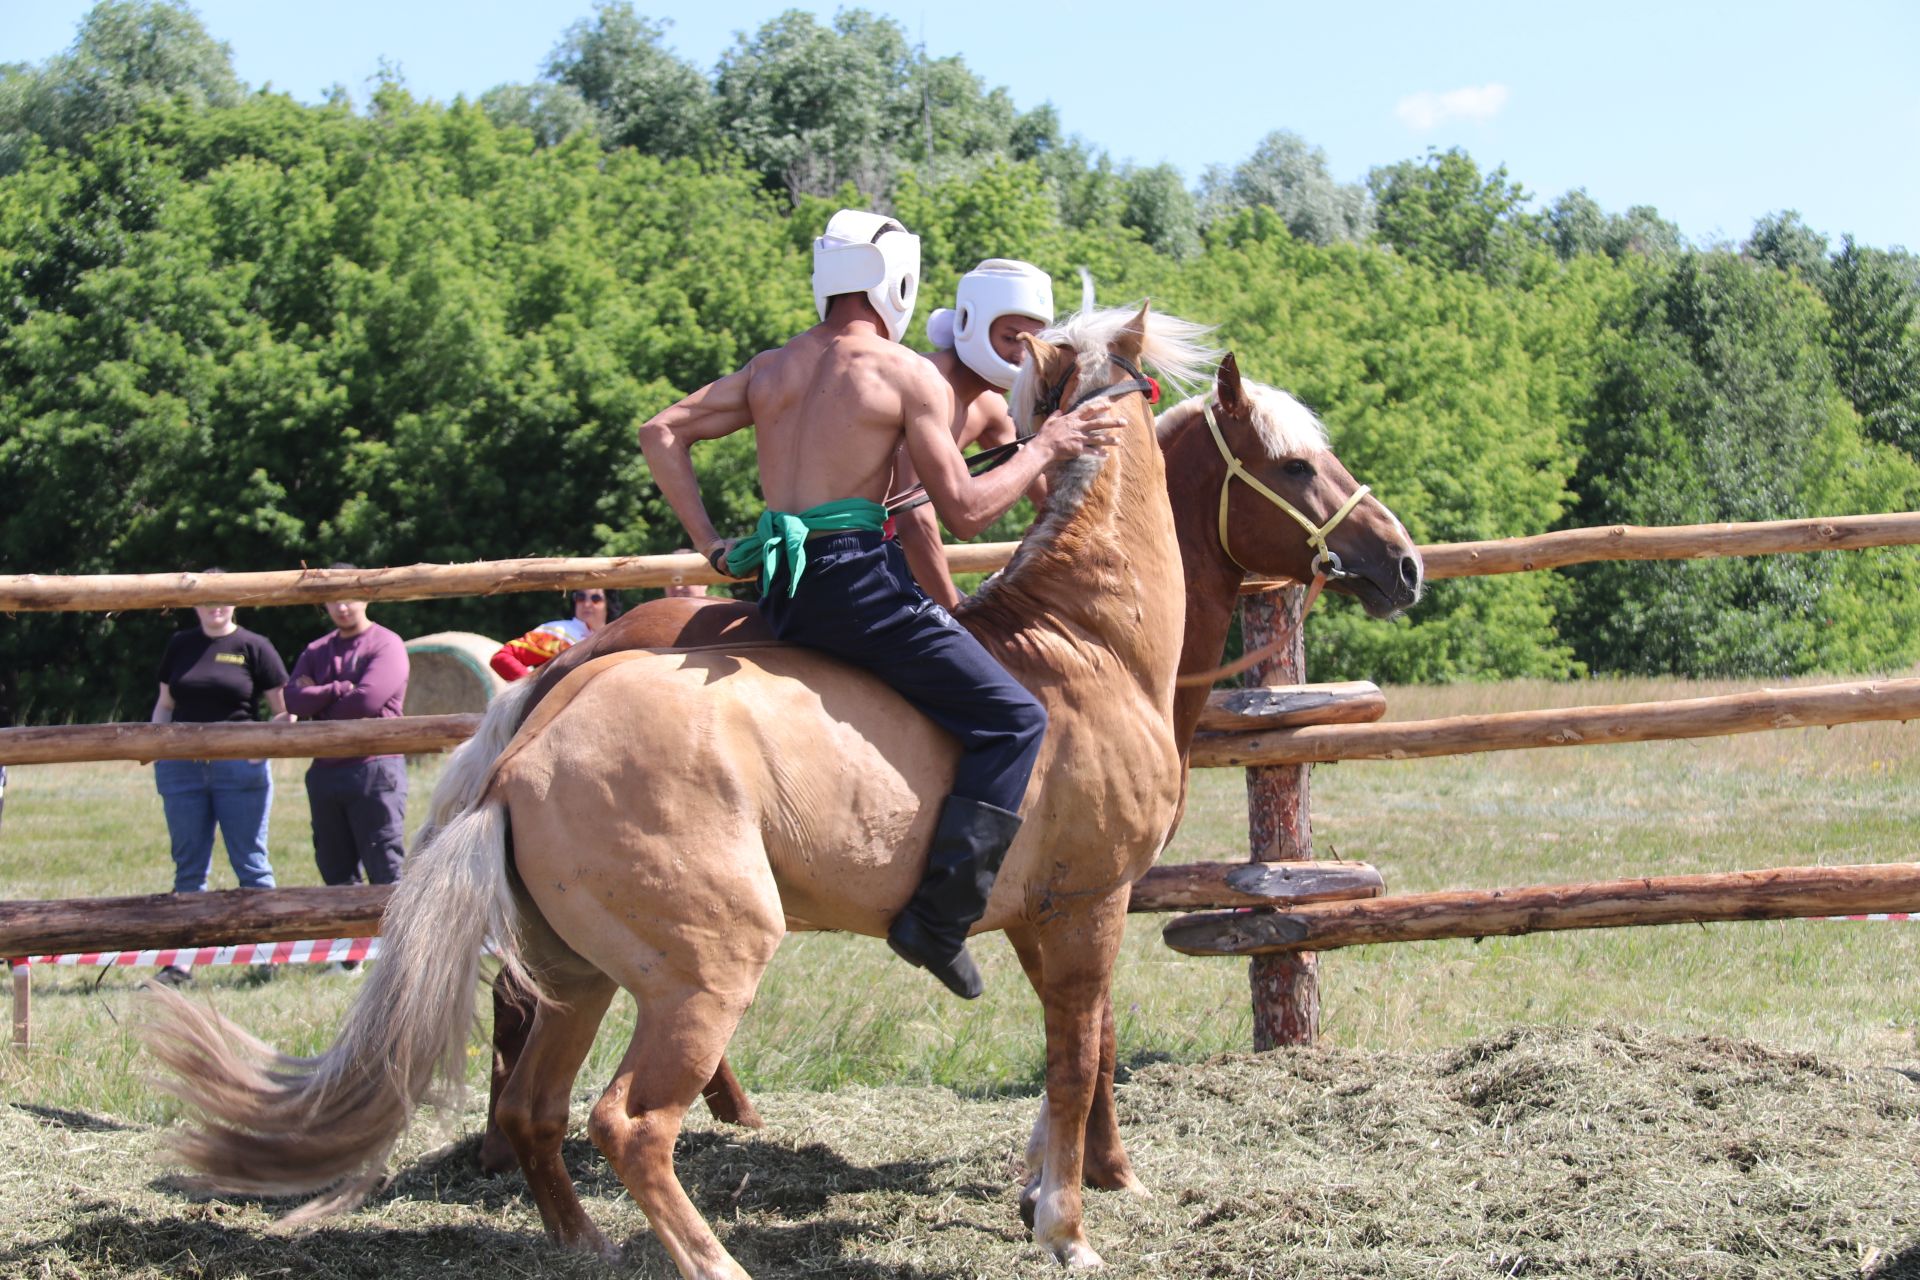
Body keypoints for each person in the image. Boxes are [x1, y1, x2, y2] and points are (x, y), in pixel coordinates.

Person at [637, 208, 1121, 1000]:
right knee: (1015, 718)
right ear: (900, 282)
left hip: (781, 587)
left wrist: (711, 546)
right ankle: (938, 916)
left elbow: (662, 432)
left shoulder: (771, 369)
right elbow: (963, 509)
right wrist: (1046, 446)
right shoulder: (903, 374)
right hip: (857, 587)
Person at [149, 584, 292, 987]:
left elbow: (284, 712)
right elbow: (165, 703)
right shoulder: (179, 644)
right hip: (181, 767)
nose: (215, 607)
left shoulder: (254, 645)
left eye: (222, 598)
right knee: (188, 868)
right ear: (195, 604)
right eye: (207, 599)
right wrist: (156, 745)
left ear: (235, 601)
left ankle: (271, 954)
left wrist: (261, 750)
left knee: (251, 861)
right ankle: (180, 962)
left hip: (239, 767)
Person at [898, 258, 1056, 609]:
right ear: (971, 323)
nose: (1021, 356)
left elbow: (1049, 502)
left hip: (894, 564)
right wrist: (955, 615)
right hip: (860, 560)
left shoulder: (991, 408)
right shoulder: (923, 383)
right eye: (1010, 338)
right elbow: (911, 521)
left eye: (1033, 343)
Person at [284, 569, 412, 954]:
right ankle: (351, 949)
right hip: (324, 770)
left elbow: (368, 702)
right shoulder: (316, 648)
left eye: (349, 596)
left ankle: (400, 948)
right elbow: (292, 700)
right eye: (333, 598)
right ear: (323, 603)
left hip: (375, 768)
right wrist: (341, 688)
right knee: (333, 863)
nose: (342, 606)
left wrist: (319, 697)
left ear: (366, 596)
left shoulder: (386, 644)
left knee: (384, 859)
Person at [489, 588, 621, 682]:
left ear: (608, 603)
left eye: (595, 598)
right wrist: (530, 689)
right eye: (580, 597)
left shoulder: (616, 639)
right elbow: (502, 657)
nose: (587, 604)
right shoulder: (559, 632)